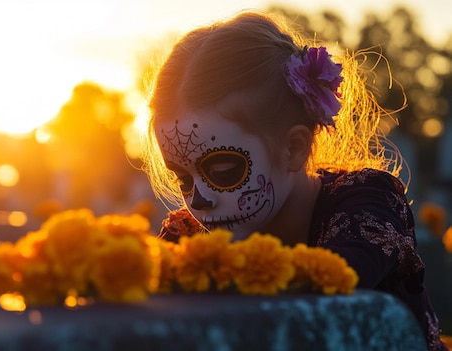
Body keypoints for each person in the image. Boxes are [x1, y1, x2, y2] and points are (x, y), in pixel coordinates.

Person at [140, 10, 448, 351]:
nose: (197, 199)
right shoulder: (191, 238)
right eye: (182, 179)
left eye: (223, 172)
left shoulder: (366, 205)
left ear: (293, 147)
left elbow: (335, 279)